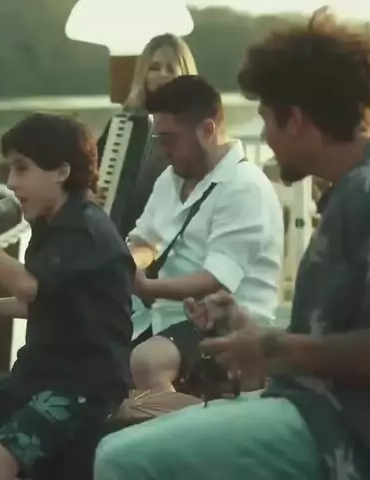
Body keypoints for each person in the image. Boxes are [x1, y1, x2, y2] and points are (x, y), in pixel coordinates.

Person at [93, 8, 370, 480]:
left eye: (266, 119)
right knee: (118, 429)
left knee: (120, 458)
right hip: (318, 414)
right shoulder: (356, 190)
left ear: (294, 119)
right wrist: (243, 325)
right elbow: (344, 335)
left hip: (366, 440)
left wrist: (275, 348)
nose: (265, 137)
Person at [0, 113, 134, 480]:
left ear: (62, 171)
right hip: (38, 371)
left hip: (86, 383)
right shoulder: (48, 223)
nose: (11, 182)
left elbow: (27, 286)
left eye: (21, 169)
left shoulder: (85, 227)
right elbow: (40, 300)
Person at [126, 75, 283, 394]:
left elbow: (217, 280)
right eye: (158, 139)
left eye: (169, 140)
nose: (162, 150)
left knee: (147, 362)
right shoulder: (169, 179)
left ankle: (185, 424)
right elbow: (144, 240)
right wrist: (129, 265)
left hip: (227, 325)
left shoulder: (244, 186)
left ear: (207, 130)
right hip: (163, 319)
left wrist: (147, 286)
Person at [95, 34, 198, 237]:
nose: (162, 74)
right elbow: (91, 177)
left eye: (171, 69)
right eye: (154, 68)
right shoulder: (122, 125)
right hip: (118, 236)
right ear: (143, 74)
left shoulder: (197, 130)